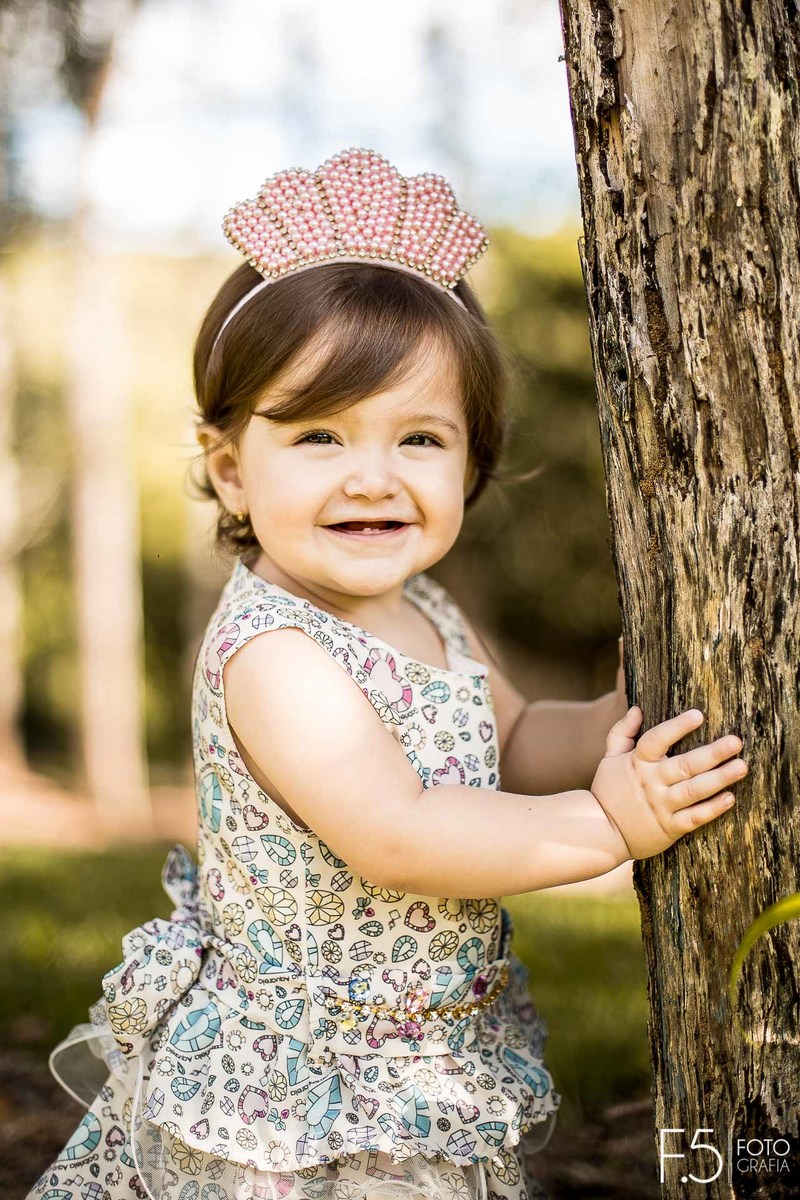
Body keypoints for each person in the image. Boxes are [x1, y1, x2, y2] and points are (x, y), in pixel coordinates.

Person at [26, 147, 748, 1200]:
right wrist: (610, 828)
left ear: (470, 461)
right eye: (317, 434)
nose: (372, 475)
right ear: (232, 467)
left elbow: (507, 740)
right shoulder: (276, 654)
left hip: (411, 1051)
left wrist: (606, 727)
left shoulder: (425, 610)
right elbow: (399, 834)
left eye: (418, 436)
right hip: (305, 1090)